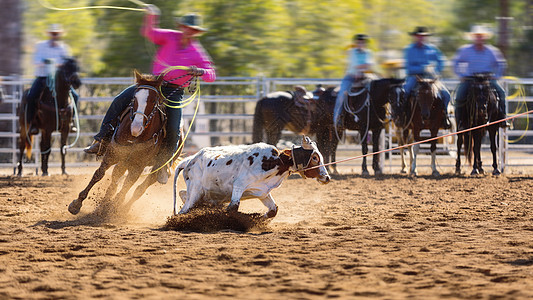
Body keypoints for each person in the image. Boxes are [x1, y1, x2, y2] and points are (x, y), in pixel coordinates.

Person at [84, 5, 216, 183]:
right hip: (153, 84)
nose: (188, 31)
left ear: (195, 32)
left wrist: (199, 71)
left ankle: (163, 165)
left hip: (174, 92)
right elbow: (150, 33)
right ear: (182, 27)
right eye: (186, 27)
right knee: (120, 100)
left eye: (192, 30)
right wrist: (152, 16)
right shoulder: (170, 36)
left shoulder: (197, 51)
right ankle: (101, 140)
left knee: (174, 128)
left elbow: (211, 74)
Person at [26, 24, 79, 134]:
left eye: (56, 34)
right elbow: (35, 61)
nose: (55, 36)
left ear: (59, 35)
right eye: (53, 34)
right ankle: (32, 123)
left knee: (75, 96)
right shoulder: (41, 46)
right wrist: (48, 62)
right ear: (50, 34)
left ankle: (71, 121)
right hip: (43, 77)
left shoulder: (63, 48)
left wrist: (60, 65)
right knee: (31, 96)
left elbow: (67, 63)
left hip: (59, 80)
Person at [453, 25, 509, 128]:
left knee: (501, 93)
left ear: (485, 37)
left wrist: (496, 76)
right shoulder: (466, 50)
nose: (479, 38)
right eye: (477, 36)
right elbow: (456, 62)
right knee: (459, 96)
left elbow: (501, 63)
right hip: (471, 78)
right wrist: (461, 75)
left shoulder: (491, 51)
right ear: (473, 38)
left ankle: (502, 118)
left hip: (487, 78)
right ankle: (460, 121)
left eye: (481, 36)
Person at [404, 26, 451, 128]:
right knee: (405, 92)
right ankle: (405, 117)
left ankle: (445, 117)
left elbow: (441, 61)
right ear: (415, 37)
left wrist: (435, 69)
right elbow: (408, 67)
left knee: (446, 94)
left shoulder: (432, 49)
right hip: (415, 77)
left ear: (425, 37)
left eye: (423, 36)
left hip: (431, 78)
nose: (421, 38)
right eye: (418, 36)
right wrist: (422, 68)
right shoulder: (409, 50)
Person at [334, 34, 376, 126]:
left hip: (365, 76)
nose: (361, 43)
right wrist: (362, 67)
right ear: (356, 43)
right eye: (359, 42)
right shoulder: (352, 52)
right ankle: (337, 118)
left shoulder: (368, 52)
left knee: (377, 89)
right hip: (351, 76)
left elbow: (369, 64)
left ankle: (376, 114)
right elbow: (355, 64)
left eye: (363, 42)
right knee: (341, 94)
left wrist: (361, 69)